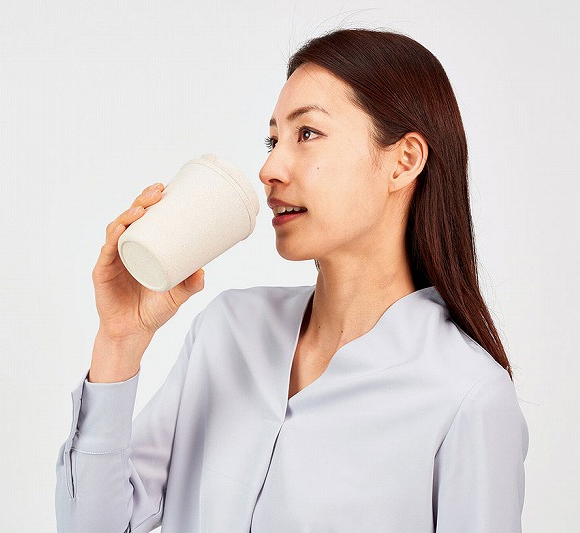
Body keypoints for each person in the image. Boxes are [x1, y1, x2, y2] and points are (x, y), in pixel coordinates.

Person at [55, 28, 529, 533]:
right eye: (273, 140)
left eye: (307, 134)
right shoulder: (228, 331)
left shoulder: (467, 395)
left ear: (404, 161)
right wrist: (119, 340)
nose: (269, 168)